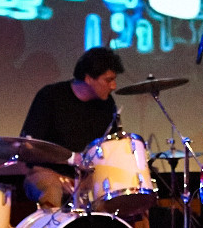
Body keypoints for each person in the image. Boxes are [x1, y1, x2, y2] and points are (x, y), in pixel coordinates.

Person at [20, 46, 125, 209]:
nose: (113, 86)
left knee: (124, 195)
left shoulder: (107, 104)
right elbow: (29, 146)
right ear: (88, 78)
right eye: (108, 80)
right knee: (51, 189)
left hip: (87, 177)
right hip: (47, 172)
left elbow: (110, 146)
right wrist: (72, 159)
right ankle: (53, 226)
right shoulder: (50, 96)